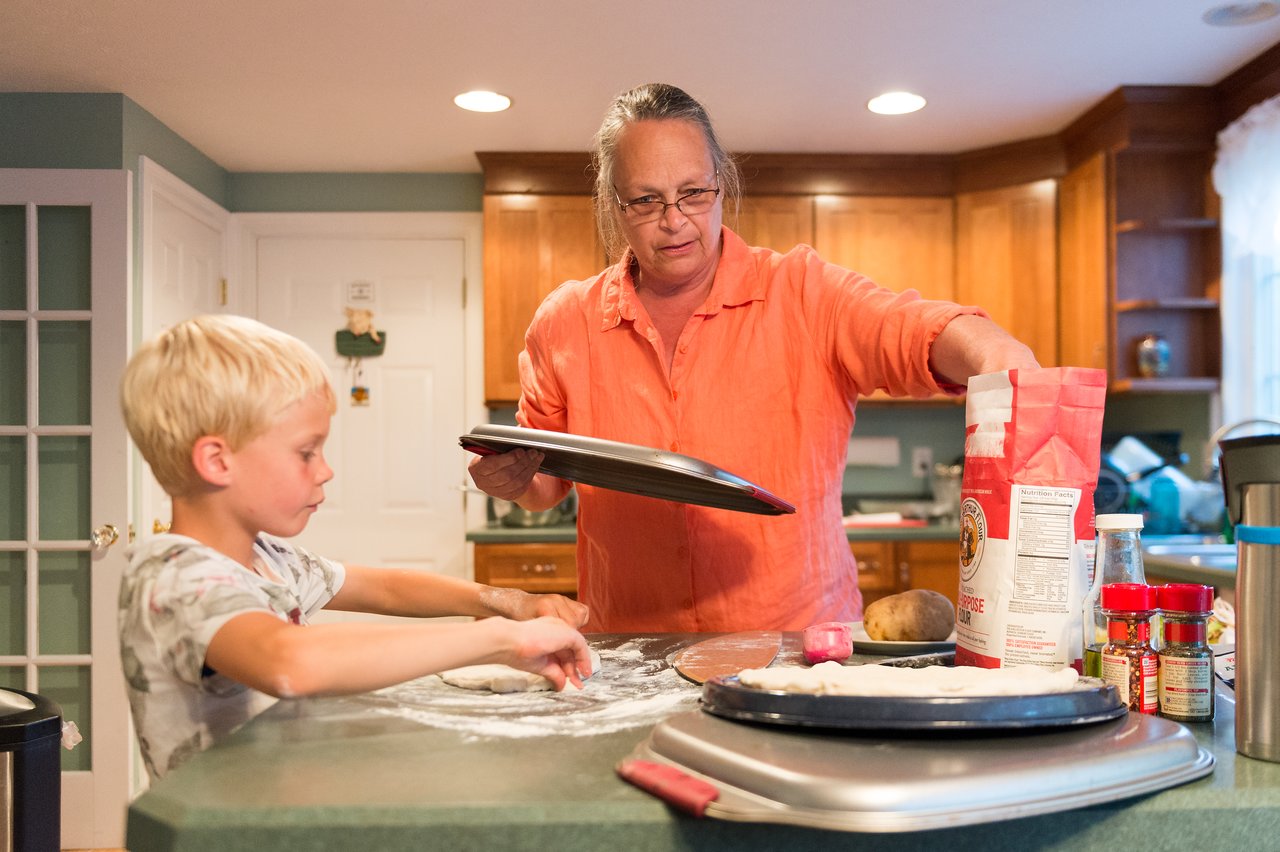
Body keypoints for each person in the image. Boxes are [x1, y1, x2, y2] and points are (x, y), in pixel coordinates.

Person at [469, 82, 1040, 634]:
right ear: (613, 205)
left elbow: (909, 331)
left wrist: (993, 351)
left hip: (797, 652)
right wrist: (511, 479)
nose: (674, 220)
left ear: (722, 182)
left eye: (694, 192)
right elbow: (544, 481)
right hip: (630, 648)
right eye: (646, 200)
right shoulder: (565, 322)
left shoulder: (802, 291)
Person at [119, 314, 591, 780]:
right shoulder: (171, 577)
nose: (325, 471)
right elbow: (288, 662)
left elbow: (383, 588)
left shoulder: (266, 559)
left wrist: (511, 603)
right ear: (217, 461)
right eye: (306, 452)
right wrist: (500, 641)